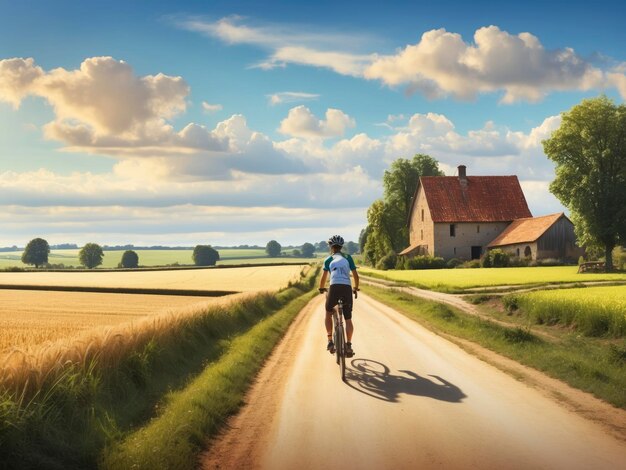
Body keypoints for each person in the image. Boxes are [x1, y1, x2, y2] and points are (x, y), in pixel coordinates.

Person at [318, 235, 359, 357]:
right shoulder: (348, 258)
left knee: (328, 312)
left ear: (331, 247)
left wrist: (321, 288)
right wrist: (355, 287)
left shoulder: (328, 259)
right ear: (341, 247)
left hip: (334, 287)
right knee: (348, 319)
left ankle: (330, 341)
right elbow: (355, 275)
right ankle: (349, 345)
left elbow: (324, 277)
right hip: (346, 288)